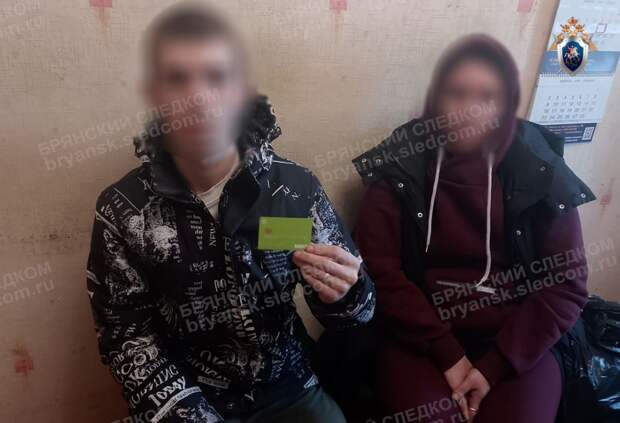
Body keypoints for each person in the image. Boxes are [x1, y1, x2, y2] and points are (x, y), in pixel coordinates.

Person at [85, 3, 375, 422]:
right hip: (185, 397)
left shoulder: (293, 189)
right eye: (178, 79)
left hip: (287, 386)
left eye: (217, 77)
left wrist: (346, 293)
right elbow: (126, 338)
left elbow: (359, 313)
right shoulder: (124, 210)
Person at [352, 34, 594, 423]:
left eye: (487, 97)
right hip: (419, 339)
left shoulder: (539, 170)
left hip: (517, 344)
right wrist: (448, 353)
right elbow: (377, 270)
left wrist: (494, 366)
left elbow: (566, 284)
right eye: (456, 94)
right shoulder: (401, 165)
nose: (469, 110)